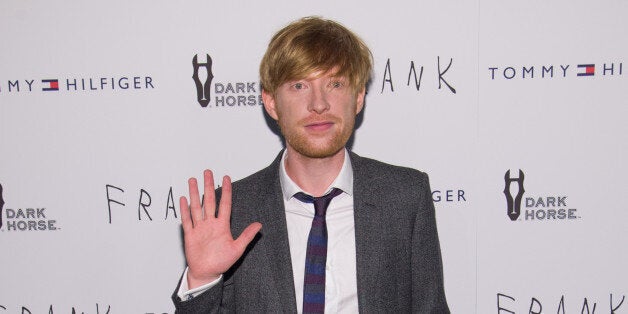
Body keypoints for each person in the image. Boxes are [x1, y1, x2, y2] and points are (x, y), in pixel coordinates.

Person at [172, 16, 450, 313]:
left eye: (335, 83)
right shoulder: (228, 212)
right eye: (299, 86)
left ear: (358, 98)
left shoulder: (404, 195)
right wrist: (203, 279)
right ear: (271, 102)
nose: (319, 104)